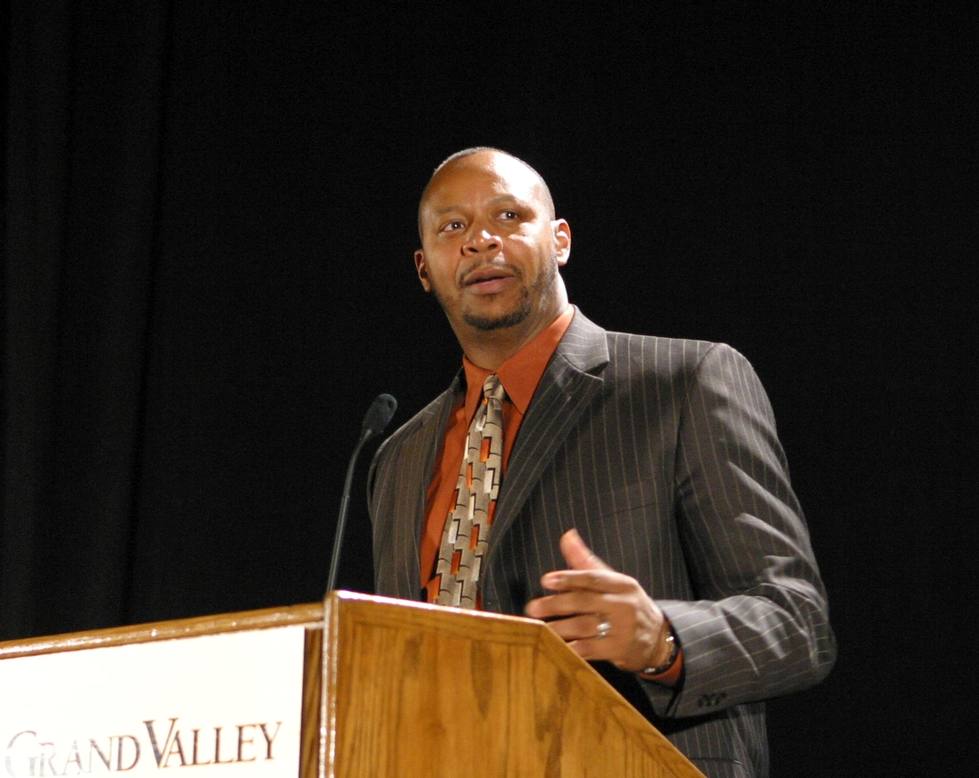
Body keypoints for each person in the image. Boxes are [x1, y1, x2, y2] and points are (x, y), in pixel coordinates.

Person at [368, 147, 835, 777]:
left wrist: (661, 638)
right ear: (424, 268)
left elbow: (798, 624)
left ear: (560, 240)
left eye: (509, 216)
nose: (480, 240)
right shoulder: (397, 457)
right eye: (453, 226)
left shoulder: (683, 384)